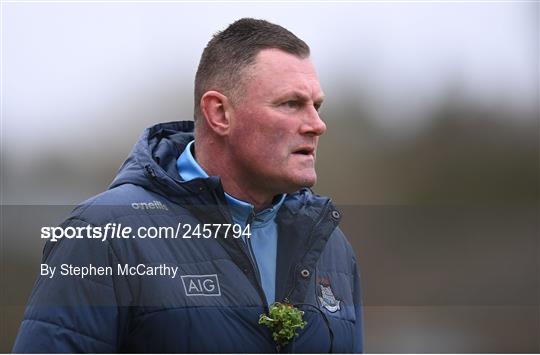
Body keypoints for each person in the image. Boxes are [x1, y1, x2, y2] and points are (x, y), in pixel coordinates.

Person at [13, 18, 363, 353]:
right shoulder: (105, 233)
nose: (317, 125)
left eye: (316, 106)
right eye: (291, 104)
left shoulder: (330, 245)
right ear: (220, 114)